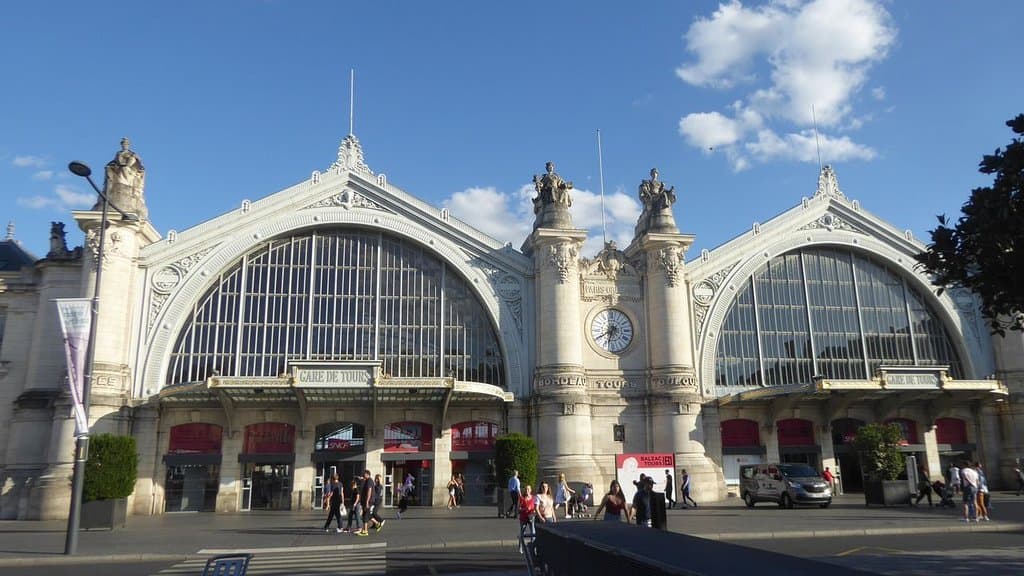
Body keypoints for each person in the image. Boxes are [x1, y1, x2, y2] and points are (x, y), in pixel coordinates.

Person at [517, 485, 538, 553]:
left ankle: (533, 547)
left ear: (531, 490)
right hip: (523, 517)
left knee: (533, 532)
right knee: (522, 532)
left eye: (528, 489)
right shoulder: (522, 498)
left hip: (531, 517)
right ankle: (520, 547)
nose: (527, 491)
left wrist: (534, 511)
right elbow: (518, 509)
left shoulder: (533, 498)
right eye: (526, 489)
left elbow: (535, 507)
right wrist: (524, 509)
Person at [357, 469, 376, 535]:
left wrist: (367, 501)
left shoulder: (369, 481)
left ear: (367, 474)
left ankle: (365, 531)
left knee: (365, 515)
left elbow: (369, 491)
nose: (363, 475)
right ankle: (366, 528)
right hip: (367, 500)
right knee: (365, 514)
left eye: (364, 474)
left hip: (369, 500)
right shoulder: (367, 480)